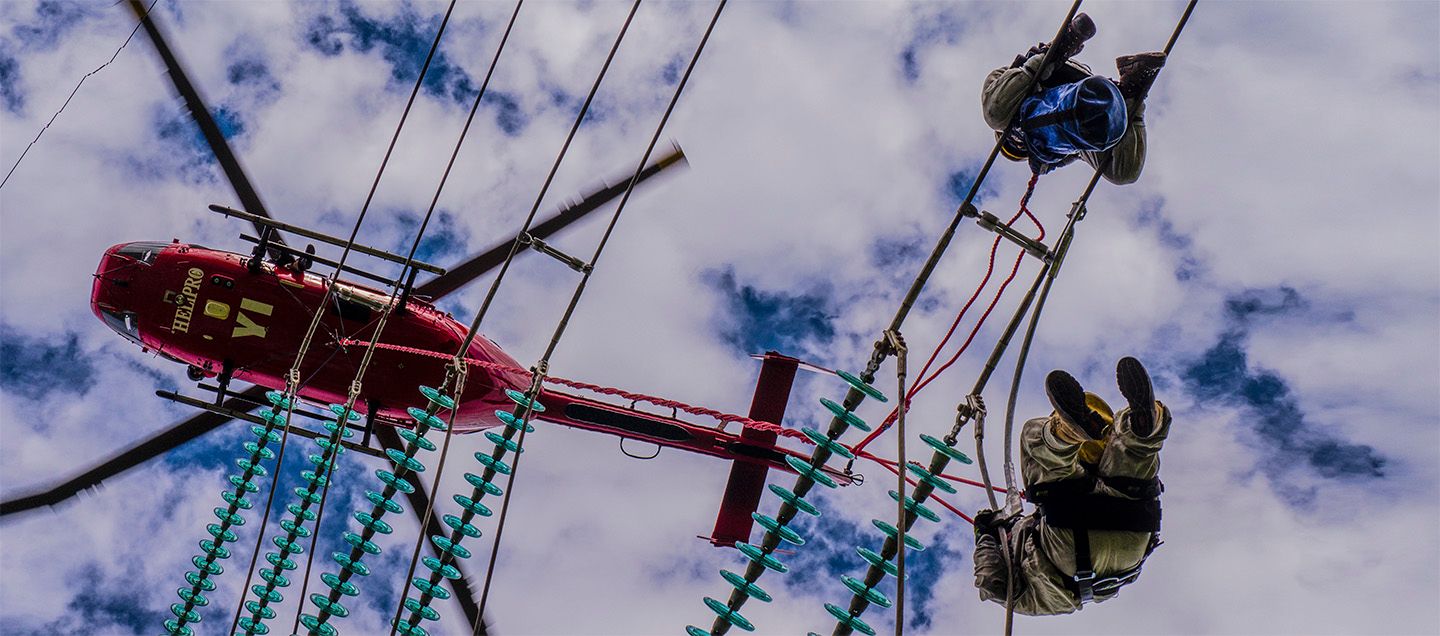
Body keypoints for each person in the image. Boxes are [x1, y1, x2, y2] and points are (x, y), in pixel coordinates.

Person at [972, 356, 1168, 616]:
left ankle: (1144, 427)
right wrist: (984, 536)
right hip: (1070, 543)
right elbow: (992, 584)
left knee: (1134, 463)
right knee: (1039, 450)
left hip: (1133, 540)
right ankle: (1067, 432)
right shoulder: (1030, 599)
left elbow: (996, 586)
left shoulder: (1049, 603)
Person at [981, 16, 1167, 185]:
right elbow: (1078, 153)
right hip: (1088, 97)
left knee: (994, 116)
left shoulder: (1001, 108)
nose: (1017, 142)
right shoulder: (1053, 153)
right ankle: (1131, 91)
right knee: (1123, 173)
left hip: (1050, 74)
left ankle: (1060, 47)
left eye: (1011, 143)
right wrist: (1046, 163)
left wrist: (1031, 65)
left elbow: (996, 78)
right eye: (1019, 148)